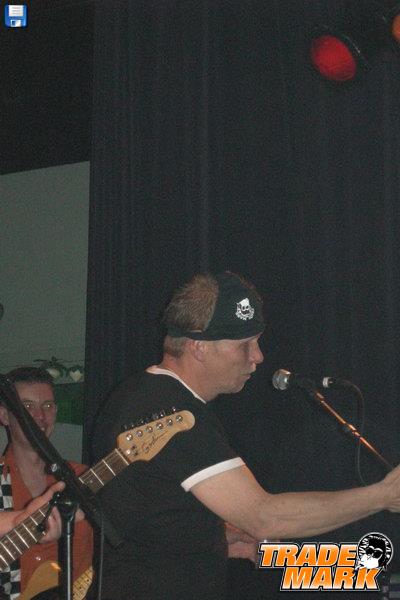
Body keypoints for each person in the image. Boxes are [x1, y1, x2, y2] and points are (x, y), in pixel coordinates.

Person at [90, 272, 400, 600]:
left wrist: (215, 537)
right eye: (244, 345)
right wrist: (382, 496)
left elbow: (145, 517)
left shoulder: (137, 394)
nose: (258, 356)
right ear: (198, 346)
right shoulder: (174, 414)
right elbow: (264, 517)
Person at [0, 367, 93, 600]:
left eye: (48, 406)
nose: (39, 416)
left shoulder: (80, 476)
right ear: (4, 416)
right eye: (27, 406)